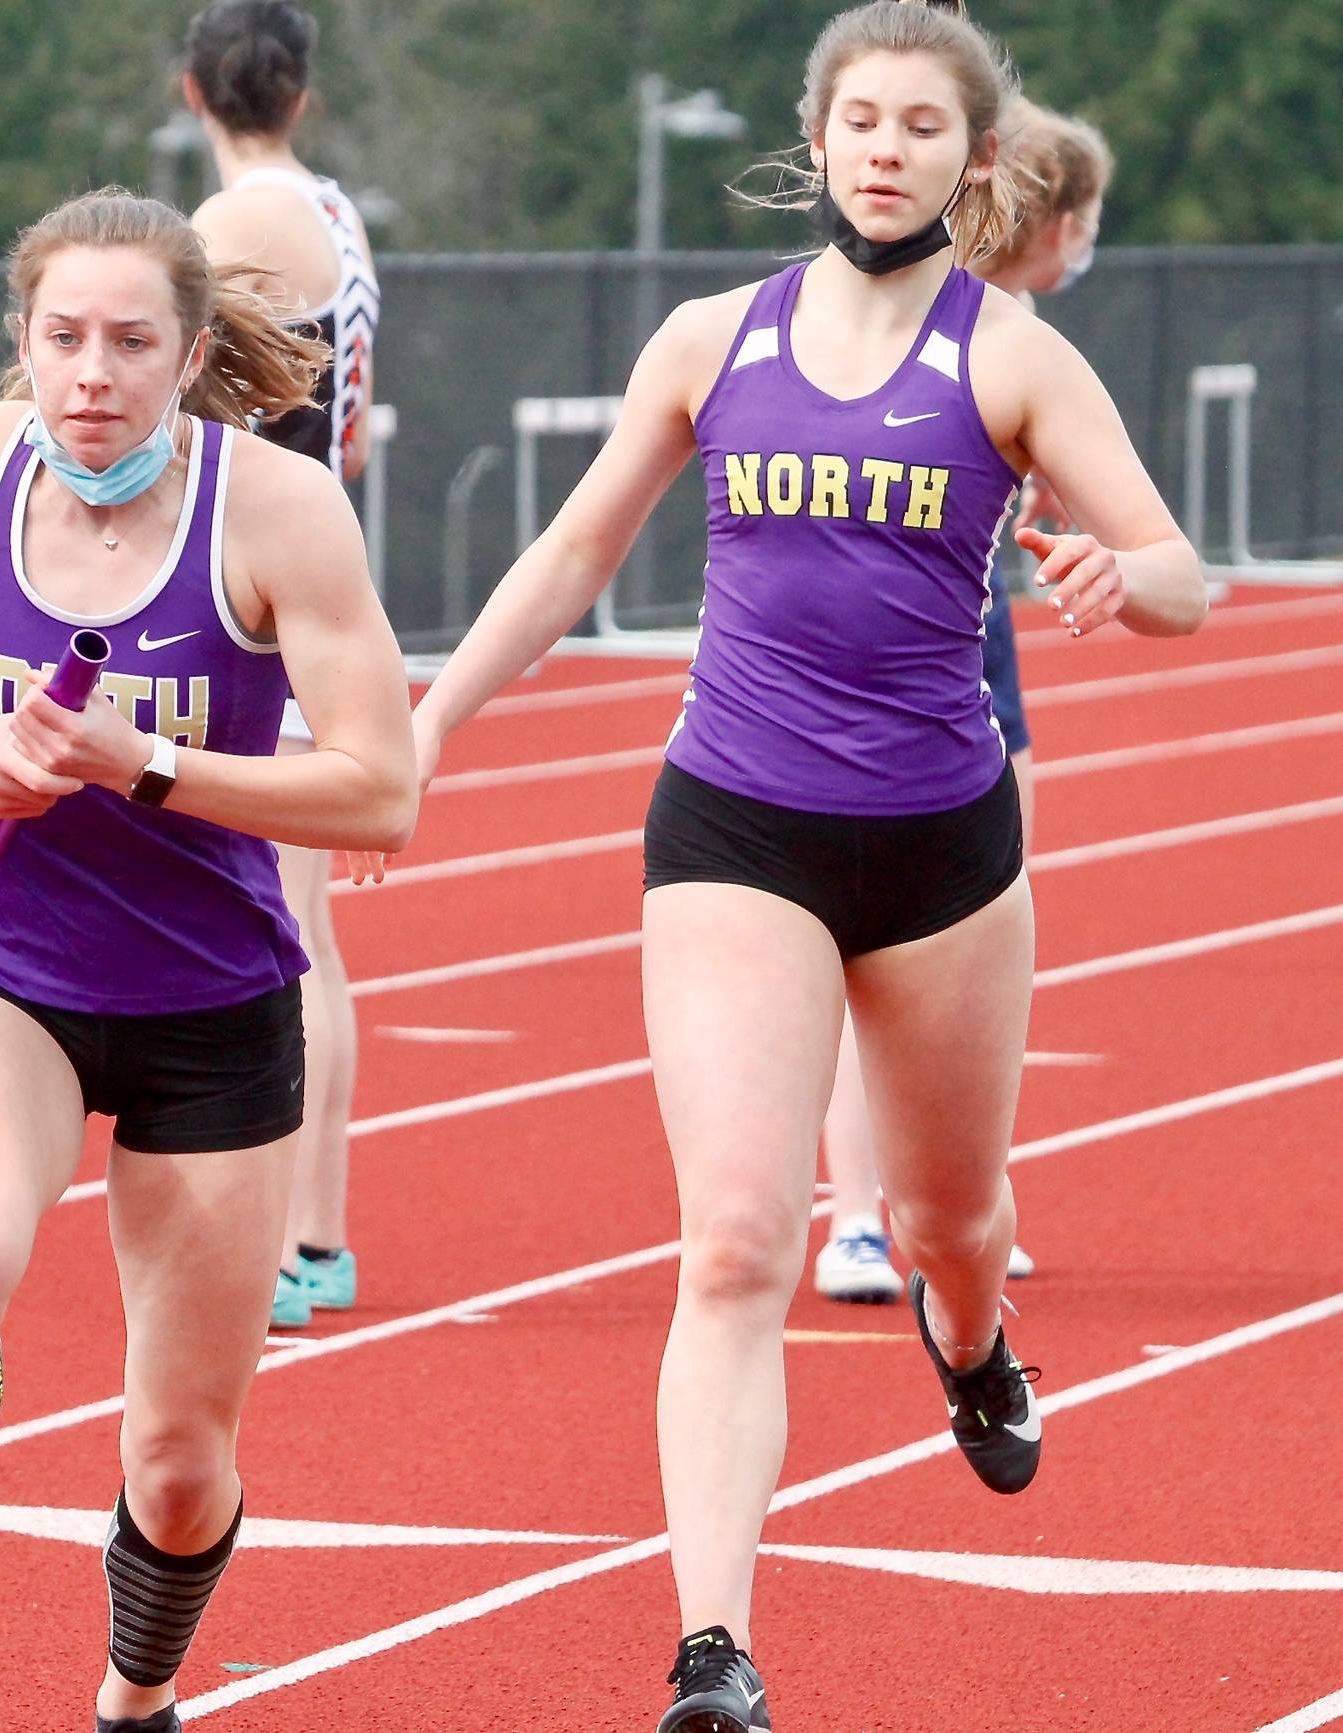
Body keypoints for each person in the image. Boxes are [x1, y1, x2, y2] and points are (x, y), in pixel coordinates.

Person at [393, 4, 1204, 1726]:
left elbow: (1176, 565)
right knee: (738, 1237)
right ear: (816, 139)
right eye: (861, 119)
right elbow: (573, 547)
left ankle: (969, 1334)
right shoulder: (709, 338)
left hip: (938, 850)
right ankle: (711, 1650)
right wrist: (430, 713)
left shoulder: (1010, 357)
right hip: (731, 825)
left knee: (944, 1215)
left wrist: (1123, 582)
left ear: (970, 161)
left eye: (923, 124)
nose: (887, 147)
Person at [0, 186, 416, 1733]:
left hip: (220, 1007)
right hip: (7, 971)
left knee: (178, 1461)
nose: (91, 372)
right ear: (20, 345)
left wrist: (140, 767)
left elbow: (384, 788)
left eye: (128, 341)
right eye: (61, 339)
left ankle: (137, 1696)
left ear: (187, 354)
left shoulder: (278, 511)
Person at [813, 95, 1114, 1303]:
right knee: (897, 931)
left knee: (948, 938)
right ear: (1049, 212)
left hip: (959, 632)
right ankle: (860, 1213)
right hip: (925, 650)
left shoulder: (1009, 335)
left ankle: (936, 1203)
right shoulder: (948, 314)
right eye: (1086, 224)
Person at [182, 0, 384, 1331]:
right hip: (318, 563)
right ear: (300, 96)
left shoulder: (225, 231)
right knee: (303, 930)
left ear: (193, 92)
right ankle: (313, 1237)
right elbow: (344, 425)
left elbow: (180, 401)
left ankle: (276, 1243)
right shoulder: (340, 217)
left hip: (255, 592)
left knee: (269, 934)